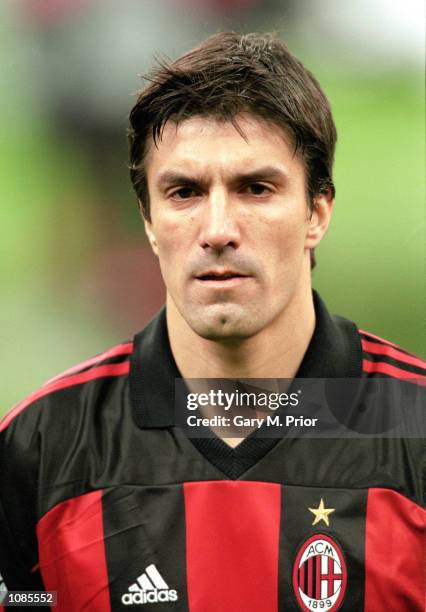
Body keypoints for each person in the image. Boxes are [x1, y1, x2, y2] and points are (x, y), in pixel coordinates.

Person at [0, 32, 424, 612]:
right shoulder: (41, 449)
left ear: (317, 212)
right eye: (184, 192)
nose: (218, 228)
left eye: (256, 188)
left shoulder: (415, 432)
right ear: (148, 220)